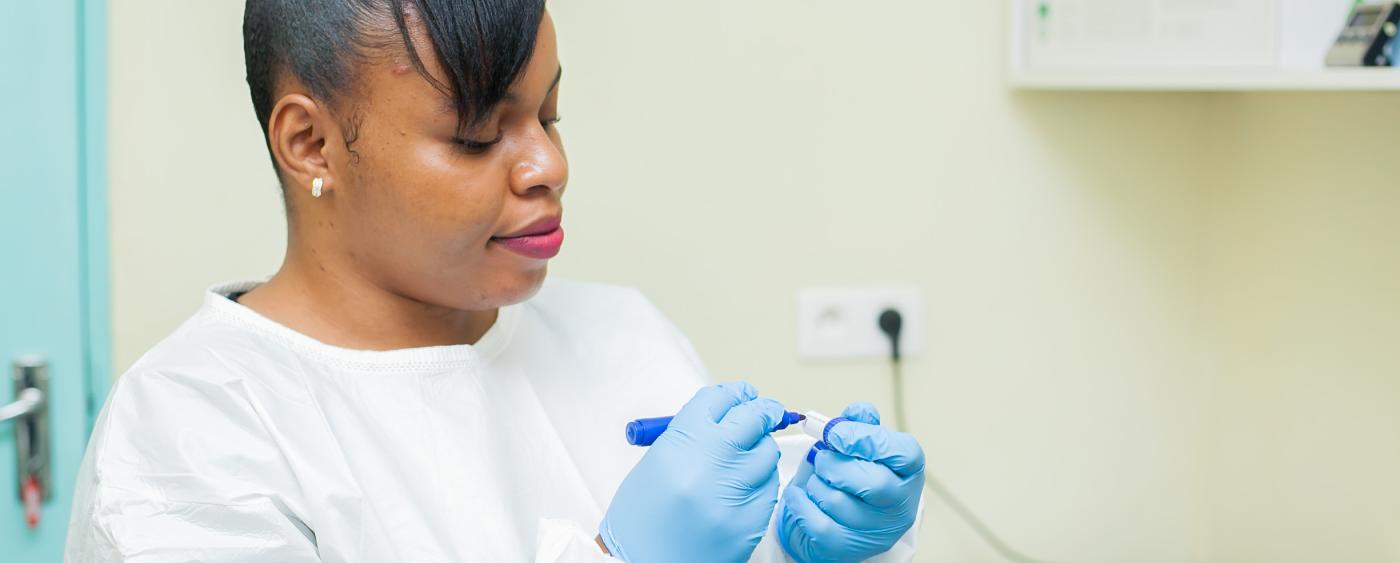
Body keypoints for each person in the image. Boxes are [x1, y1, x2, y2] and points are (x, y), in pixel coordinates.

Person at [64, 1, 926, 561]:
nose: (549, 163)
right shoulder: (191, 435)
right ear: (312, 145)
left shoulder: (622, 333)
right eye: (480, 133)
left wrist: (807, 548)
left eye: (549, 112)